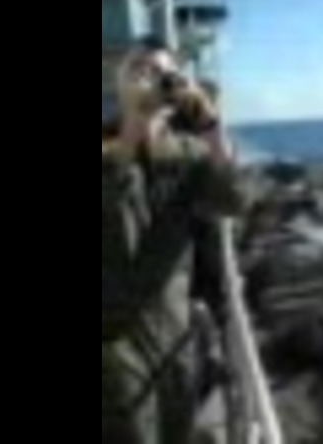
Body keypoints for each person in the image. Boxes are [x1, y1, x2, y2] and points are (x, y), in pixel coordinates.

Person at [102, 39, 243, 444]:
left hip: (173, 333)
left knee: (179, 430)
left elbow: (234, 201)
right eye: (139, 71)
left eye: (164, 74)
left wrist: (212, 128)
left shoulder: (189, 155)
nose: (153, 82)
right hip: (114, 339)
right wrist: (132, 129)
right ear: (119, 84)